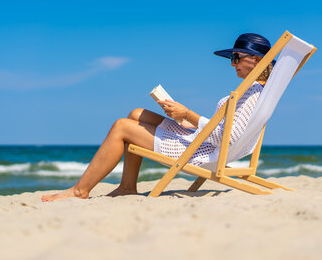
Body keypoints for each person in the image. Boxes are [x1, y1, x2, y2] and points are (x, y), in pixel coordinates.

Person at [41, 33, 274, 202]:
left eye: (236, 57)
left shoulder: (252, 94)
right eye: (231, 59)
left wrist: (188, 115)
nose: (232, 64)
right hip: (205, 142)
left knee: (122, 127)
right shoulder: (258, 91)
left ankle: (80, 191)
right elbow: (227, 132)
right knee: (136, 114)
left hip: (204, 152)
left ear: (255, 59)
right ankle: (127, 186)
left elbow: (229, 138)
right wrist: (185, 120)